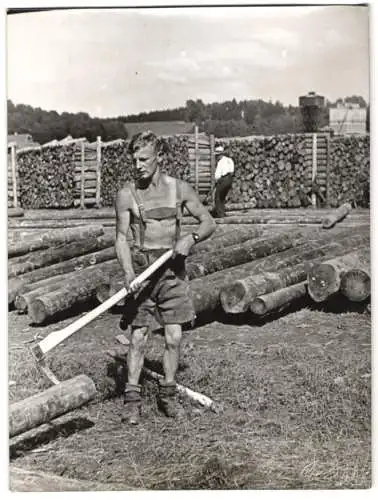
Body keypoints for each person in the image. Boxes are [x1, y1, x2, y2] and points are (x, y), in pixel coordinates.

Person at [115, 131, 216, 425]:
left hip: (172, 270)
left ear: (160, 157)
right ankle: (132, 399)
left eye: (144, 159)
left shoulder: (179, 189)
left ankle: (168, 394)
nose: (137, 165)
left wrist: (191, 239)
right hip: (143, 273)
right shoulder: (127, 194)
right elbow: (121, 238)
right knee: (138, 337)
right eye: (134, 159)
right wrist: (128, 273)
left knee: (174, 336)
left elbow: (209, 222)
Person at [212, 145, 235, 218]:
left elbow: (217, 175)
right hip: (230, 179)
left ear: (220, 155)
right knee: (222, 196)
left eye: (217, 155)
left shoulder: (220, 162)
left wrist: (216, 181)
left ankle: (220, 214)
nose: (216, 157)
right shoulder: (230, 160)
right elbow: (232, 171)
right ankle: (222, 212)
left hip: (223, 179)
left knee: (217, 197)